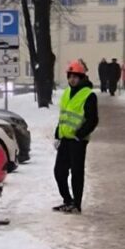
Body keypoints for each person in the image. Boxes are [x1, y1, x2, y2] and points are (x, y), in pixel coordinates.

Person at [53, 60, 99, 214]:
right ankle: (67, 200)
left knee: (77, 173)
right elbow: (63, 116)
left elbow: (93, 119)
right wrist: (57, 133)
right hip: (65, 139)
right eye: (70, 76)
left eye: (75, 76)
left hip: (78, 141)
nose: (72, 79)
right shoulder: (66, 92)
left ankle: (76, 204)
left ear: (81, 78)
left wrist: (80, 134)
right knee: (59, 171)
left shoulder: (88, 95)